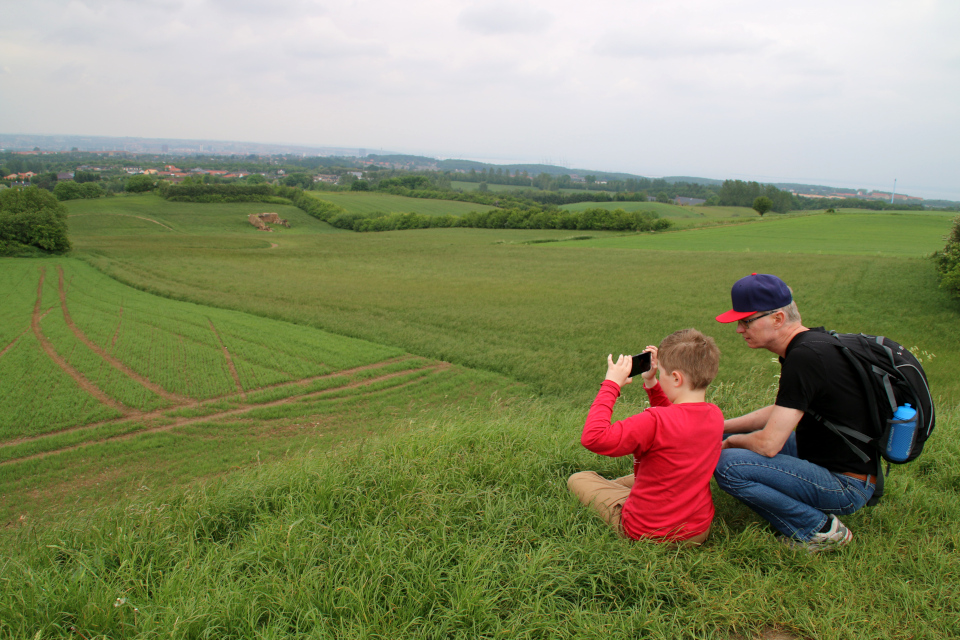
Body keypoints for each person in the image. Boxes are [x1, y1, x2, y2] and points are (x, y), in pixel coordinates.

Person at [713, 273, 877, 551]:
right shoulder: (813, 343)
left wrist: (727, 442)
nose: (740, 329)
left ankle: (819, 530)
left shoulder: (803, 358)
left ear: (778, 319)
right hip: (839, 462)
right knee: (746, 437)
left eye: (746, 320)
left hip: (847, 485)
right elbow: (780, 410)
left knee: (727, 464)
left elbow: (768, 445)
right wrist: (723, 426)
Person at [568, 329, 723, 545]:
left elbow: (594, 438)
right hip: (696, 532)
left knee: (579, 479)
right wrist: (652, 383)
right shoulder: (715, 415)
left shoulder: (654, 421)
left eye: (663, 373)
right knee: (636, 480)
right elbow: (677, 419)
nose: (659, 376)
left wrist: (611, 384)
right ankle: (616, 490)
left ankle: (615, 496)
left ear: (676, 378)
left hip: (649, 530)